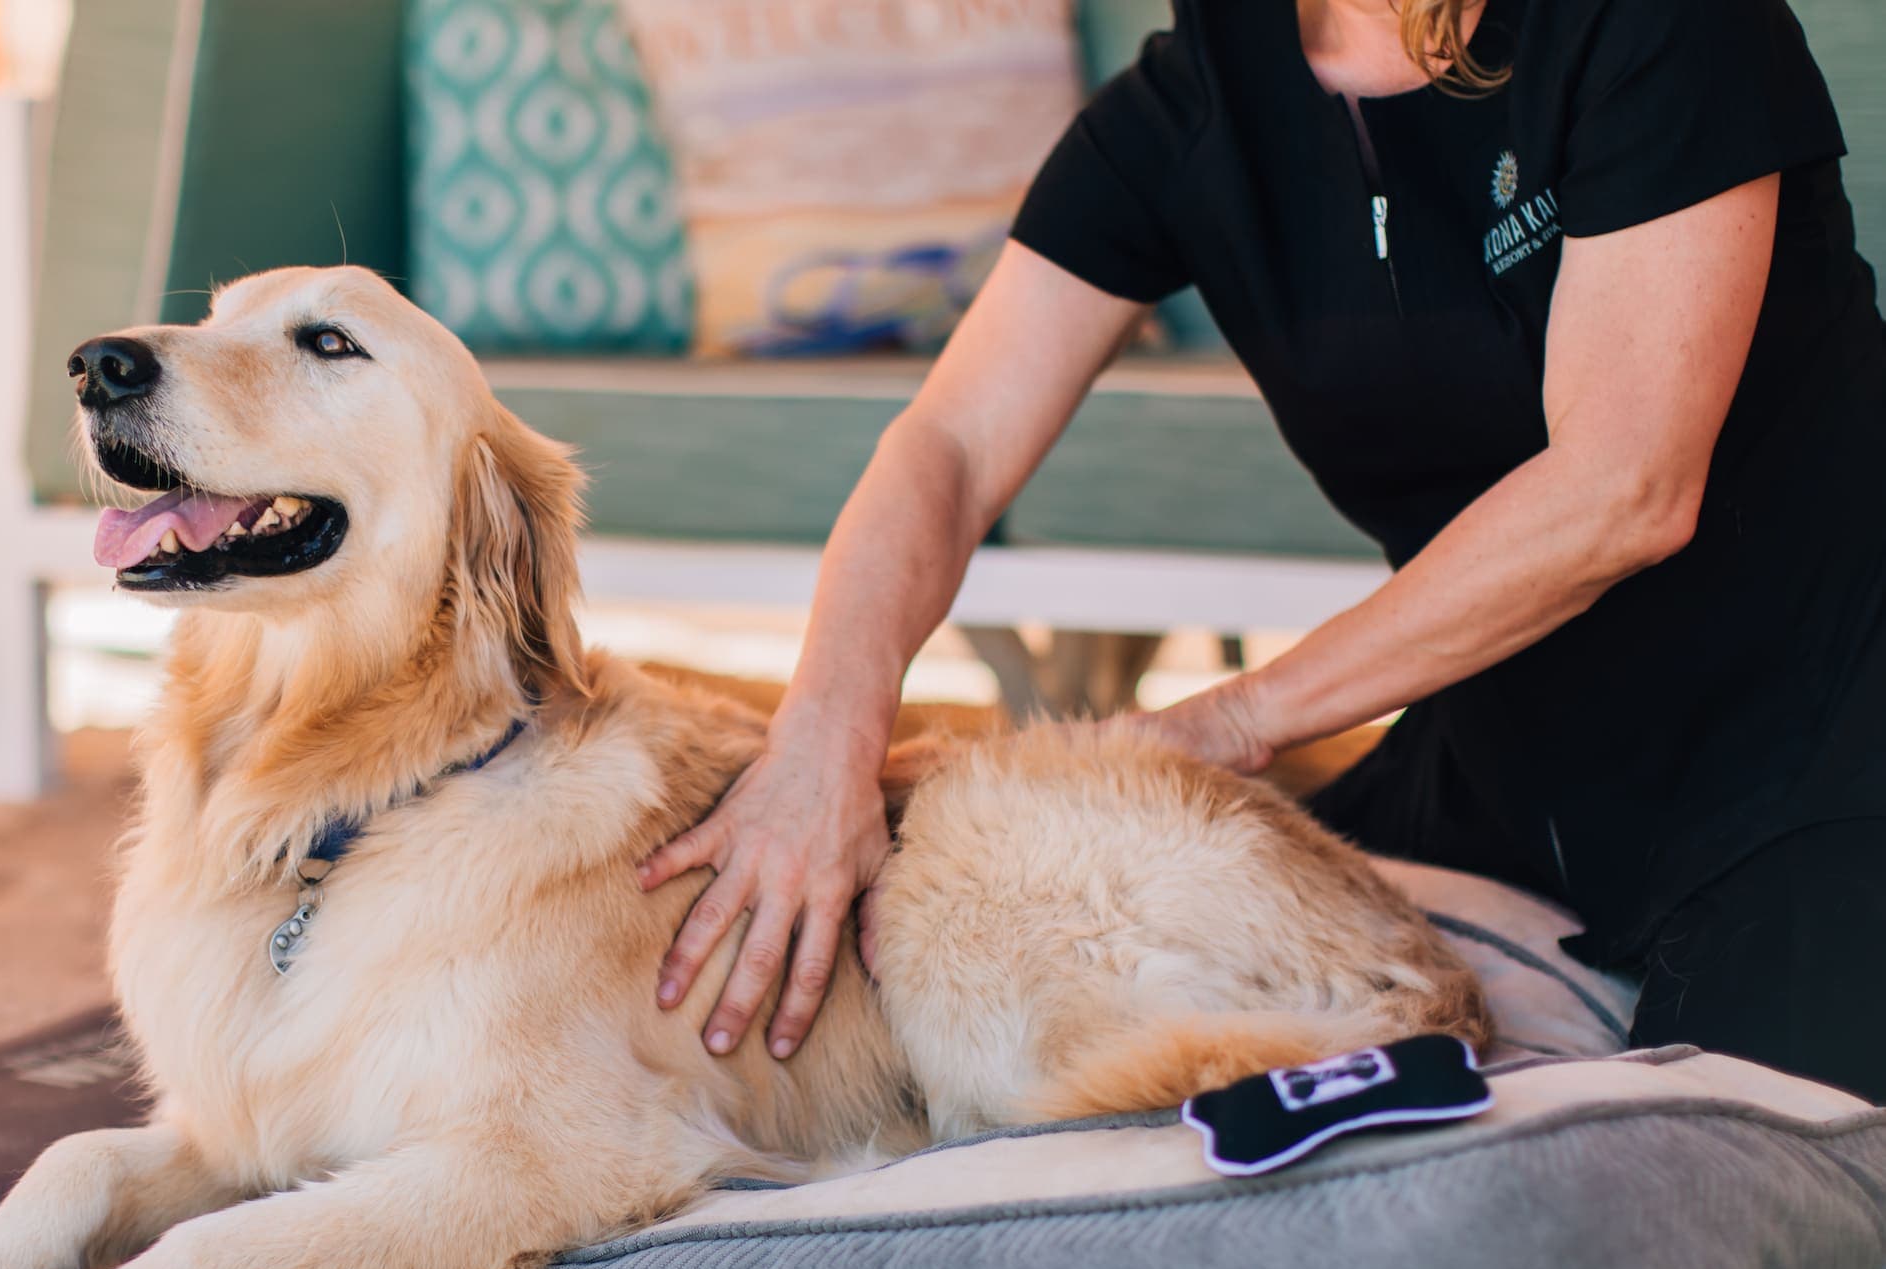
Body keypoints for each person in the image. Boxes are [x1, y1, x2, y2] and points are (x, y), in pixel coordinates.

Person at [639, 0, 1886, 1101]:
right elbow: (950, 446)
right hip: (1511, 757)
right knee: (1211, 1048)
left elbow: (1623, 487)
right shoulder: (1202, 97)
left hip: (1820, 719)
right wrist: (823, 735)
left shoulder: (1651, 23)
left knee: (1746, 1193)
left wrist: (1232, 721)